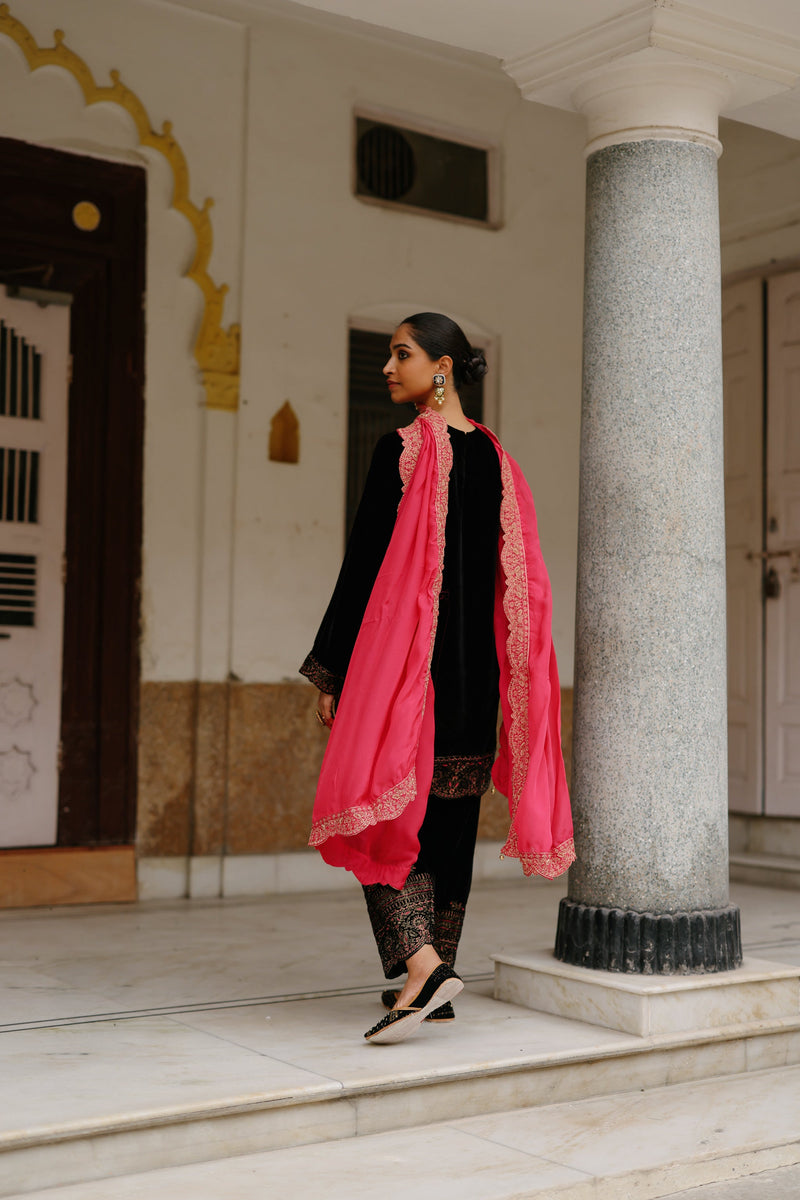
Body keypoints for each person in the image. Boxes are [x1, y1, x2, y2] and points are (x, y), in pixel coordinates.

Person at [300, 312, 574, 1045]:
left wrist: (332, 668)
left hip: (409, 679)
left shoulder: (400, 451)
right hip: (478, 682)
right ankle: (439, 981)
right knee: (448, 826)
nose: (388, 368)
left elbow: (363, 569)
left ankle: (421, 964)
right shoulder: (500, 462)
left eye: (402, 355)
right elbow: (515, 587)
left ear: (443, 366)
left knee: (368, 809)